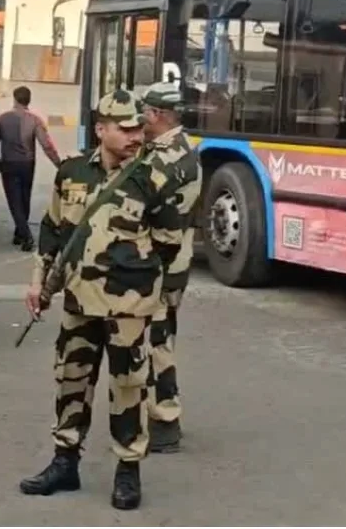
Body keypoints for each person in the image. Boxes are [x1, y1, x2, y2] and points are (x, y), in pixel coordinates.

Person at [20, 89, 186, 511]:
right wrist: (38, 281)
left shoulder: (153, 178)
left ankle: (128, 469)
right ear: (101, 129)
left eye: (138, 128)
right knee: (71, 378)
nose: (135, 136)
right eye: (125, 129)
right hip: (79, 301)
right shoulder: (72, 172)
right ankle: (65, 461)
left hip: (128, 307)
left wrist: (143, 285)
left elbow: (169, 242)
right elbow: (54, 229)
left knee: (128, 387)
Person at [137, 82, 201, 453]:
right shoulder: (177, 148)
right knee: (160, 337)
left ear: (157, 114)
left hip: (162, 264)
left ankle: (164, 420)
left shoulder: (169, 158)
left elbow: (146, 210)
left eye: (144, 113)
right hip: (172, 262)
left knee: (156, 342)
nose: (140, 120)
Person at [0, 86, 61, 252]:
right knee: (25, 198)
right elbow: (46, 145)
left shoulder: (2, 119)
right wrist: (59, 164)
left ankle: (26, 235)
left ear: (14, 99)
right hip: (27, 163)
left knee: (14, 201)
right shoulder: (34, 120)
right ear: (28, 100)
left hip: (9, 162)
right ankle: (19, 233)